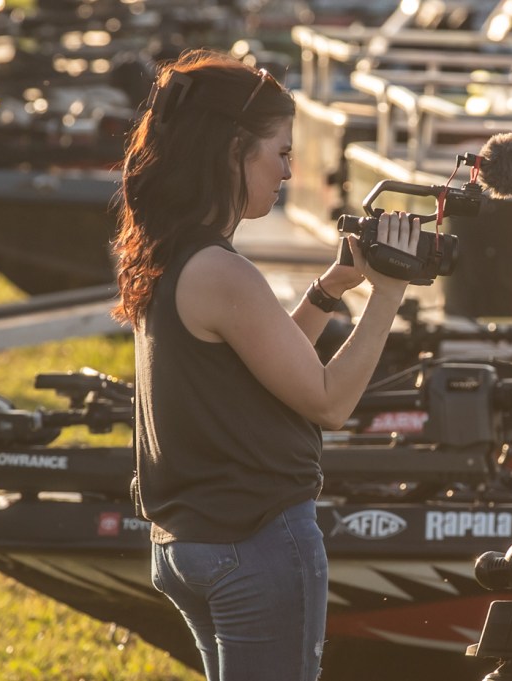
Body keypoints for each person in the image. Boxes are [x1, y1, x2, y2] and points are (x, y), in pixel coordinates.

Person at [111, 48, 420, 681]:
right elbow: (329, 402)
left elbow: (265, 368)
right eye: (280, 152)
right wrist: (389, 294)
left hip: (190, 544)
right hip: (253, 540)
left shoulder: (170, 253)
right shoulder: (223, 272)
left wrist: (330, 290)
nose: (288, 170)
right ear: (234, 151)